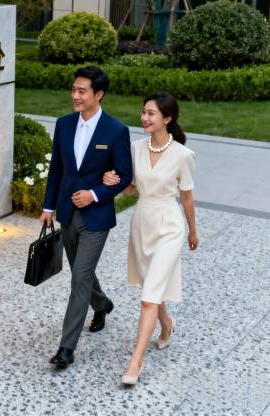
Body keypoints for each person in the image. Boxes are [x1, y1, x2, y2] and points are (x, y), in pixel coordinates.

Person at [101, 92, 198, 385]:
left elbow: (187, 197)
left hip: (169, 226)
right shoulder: (135, 148)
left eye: (151, 113)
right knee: (151, 287)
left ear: (167, 118)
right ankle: (166, 323)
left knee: (148, 298)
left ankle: (136, 361)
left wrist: (193, 231)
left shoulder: (182, 155)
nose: (144, 118)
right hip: (142, 224)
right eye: (143, 112)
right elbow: (131, 188)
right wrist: (114, 183)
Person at [40, 66, 133, 369]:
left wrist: (94, 194)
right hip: (67, 213)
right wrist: (48, 206)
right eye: (74, 90)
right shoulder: (64, 124)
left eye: (82, 91)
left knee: (79, 275)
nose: (75, 96)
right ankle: (102, 304)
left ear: (99, 94)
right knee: (82, 272)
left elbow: (124, 176)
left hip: (96, 217)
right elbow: (57, 169)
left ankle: (66, 348)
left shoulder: (115, 130)